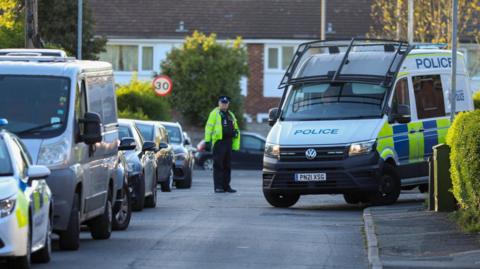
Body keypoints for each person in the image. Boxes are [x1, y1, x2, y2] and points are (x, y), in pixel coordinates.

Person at [204, 96, 240, 193]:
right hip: (219, 142)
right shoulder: (214, 113)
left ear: (228, 104)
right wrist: (207, 141)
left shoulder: (231, 114)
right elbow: (209, 127)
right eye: (222, 102)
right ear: (219, 103)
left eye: (226, 103)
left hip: (228, 142)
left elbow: (236, 129)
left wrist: (235, 145)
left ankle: (226, 186)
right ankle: (218, 186)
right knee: (218, 165)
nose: (224, 104)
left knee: (227, 166)